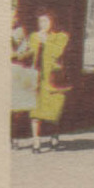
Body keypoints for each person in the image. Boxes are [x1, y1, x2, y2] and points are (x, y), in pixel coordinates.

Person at [26, 12, 71, 153]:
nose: (43, 25)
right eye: (41, 22)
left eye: (46, 21)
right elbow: (29, 54)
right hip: (37, 80)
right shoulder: (34, 36)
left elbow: (58, 53)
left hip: (53, 80)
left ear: (53, 22)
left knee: (54, 112)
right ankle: (36, 142)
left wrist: (45, 41)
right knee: (35, 113)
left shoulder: (61, 36)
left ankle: (54, 138)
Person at [9, 25, 37, 149]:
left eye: (21, 35)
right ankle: (12, 138)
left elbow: (30, 55)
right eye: (16, 35)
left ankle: (17, 138)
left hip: (22, 79)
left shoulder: (28, 46)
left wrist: (21, 54)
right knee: (11, 110)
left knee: (21, 110)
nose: (19, 37)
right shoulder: (9, 43)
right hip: (12, 77)